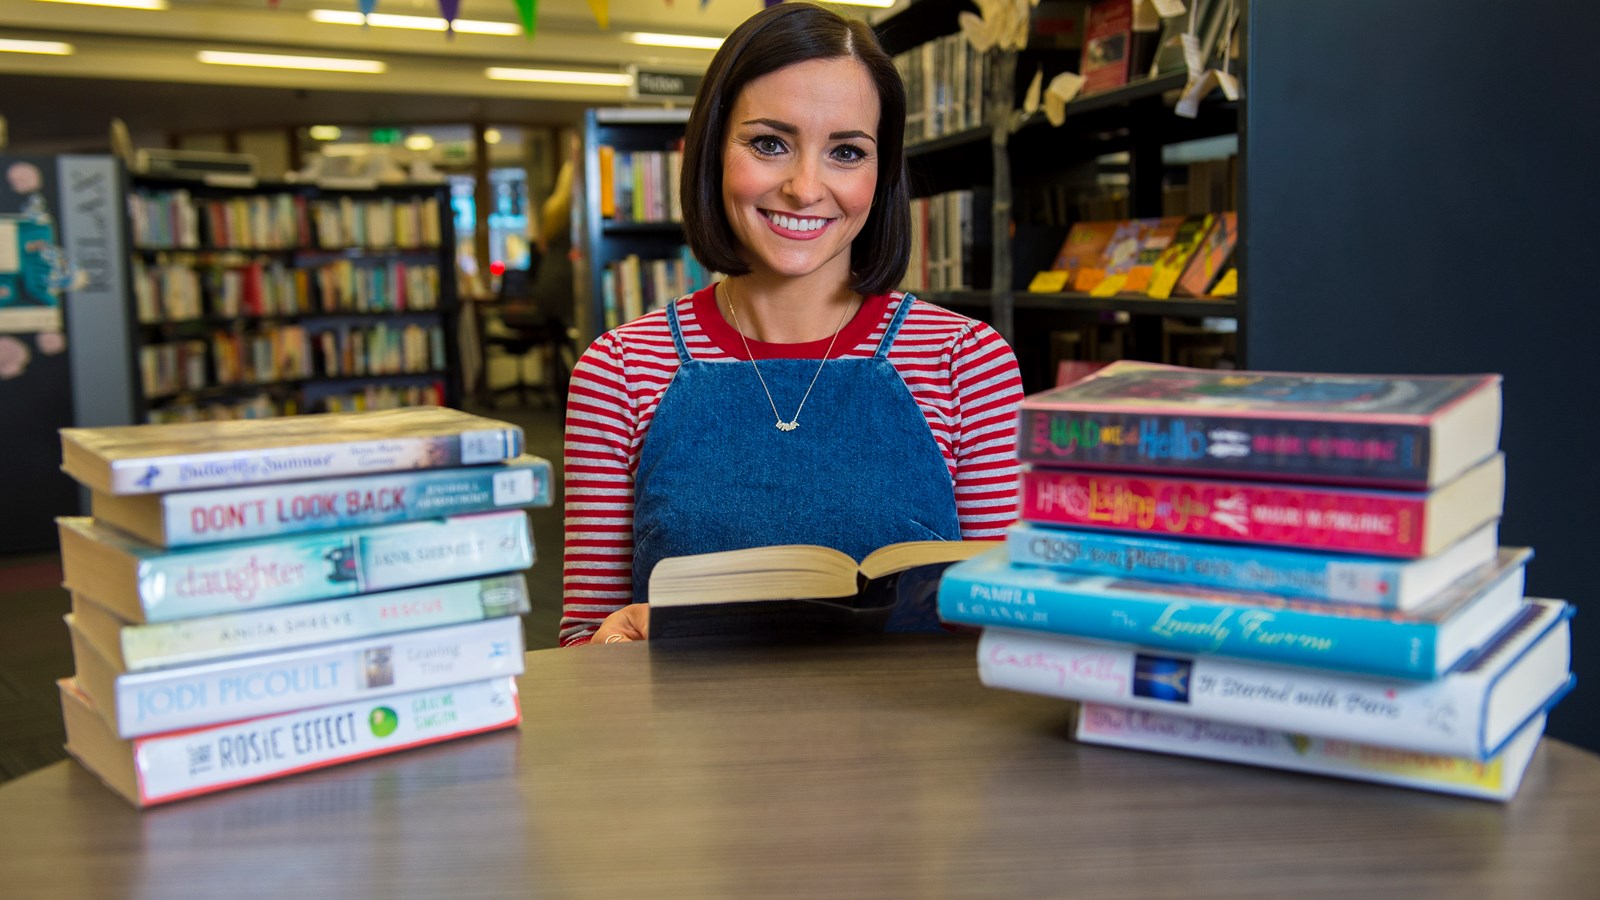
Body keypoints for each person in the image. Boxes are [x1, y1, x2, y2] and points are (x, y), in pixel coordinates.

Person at [559, 2, 1023, 646]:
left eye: (847, 151)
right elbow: (584, 637)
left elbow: (1014, 621)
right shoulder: (619, 370)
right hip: (688, 741)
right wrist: (613, 642)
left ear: (882, 172)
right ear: (713, 150)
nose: (806, 188)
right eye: (769, 143)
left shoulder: (967, 360)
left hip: (909, 740)